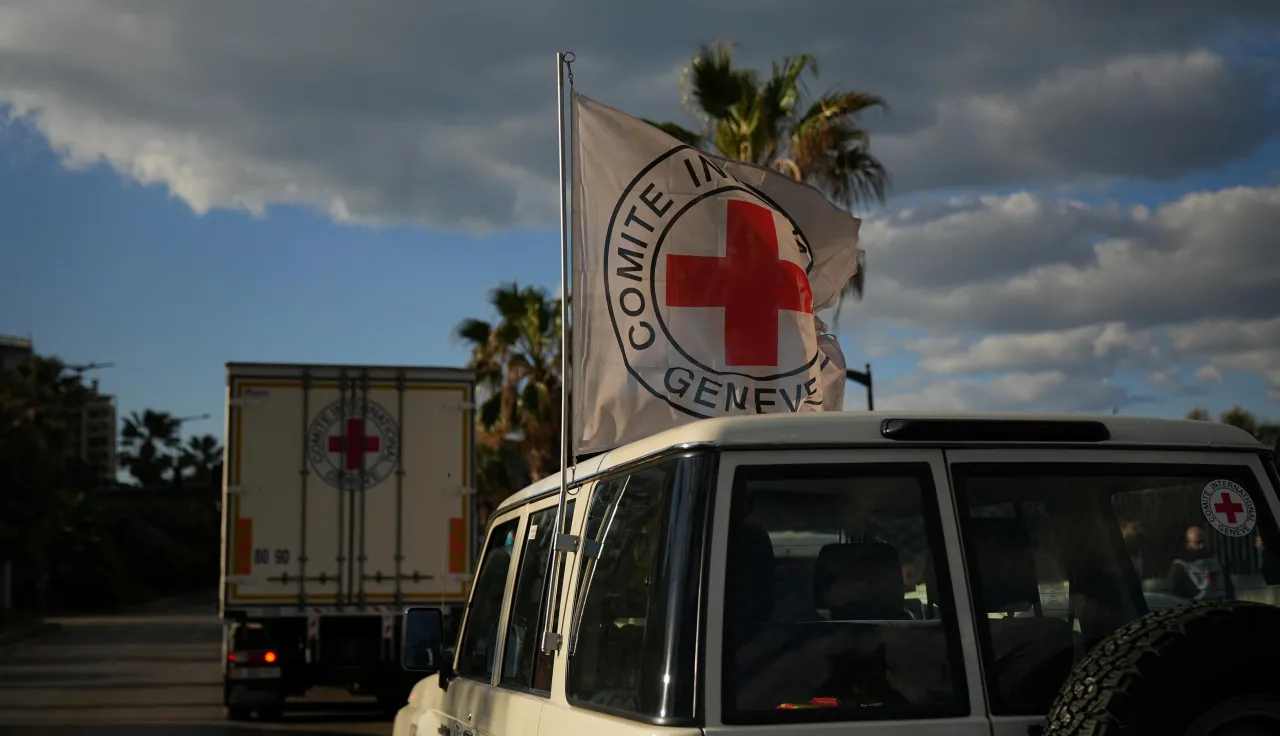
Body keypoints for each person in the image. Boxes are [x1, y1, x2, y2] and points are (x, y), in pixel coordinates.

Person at [1166, 525, 1234, 601]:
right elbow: (1174, 595)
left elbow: (1229, 589)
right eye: (1198, 543)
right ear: (1189, 544)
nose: (1202, 546)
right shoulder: (1180, 566)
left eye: (1203, 542)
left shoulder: (1214, 562)